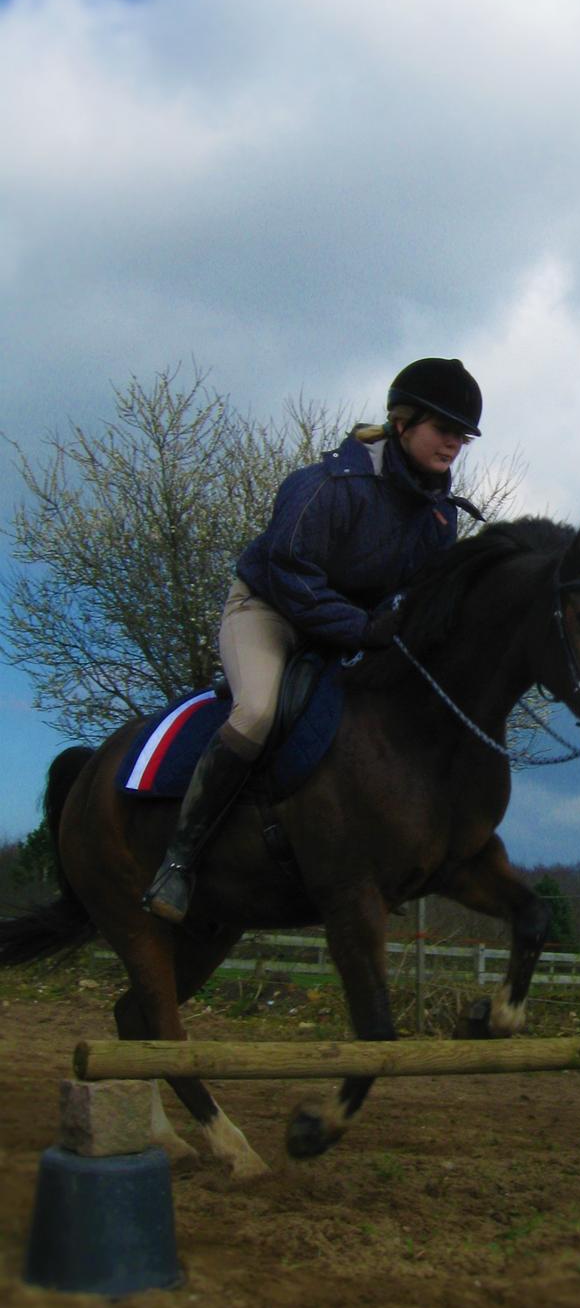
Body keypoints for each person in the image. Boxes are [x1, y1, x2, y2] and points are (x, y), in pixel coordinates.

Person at [142, 357, 485, 924]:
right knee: (256, 713)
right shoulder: (327, 486)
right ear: (403, 422)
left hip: (350, 629)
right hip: (270, 609)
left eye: (462, 437)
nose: (454, 444)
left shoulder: (439, 518)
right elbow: (290, 573)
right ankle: (179, 859)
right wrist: (362, 629)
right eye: (443, 430)